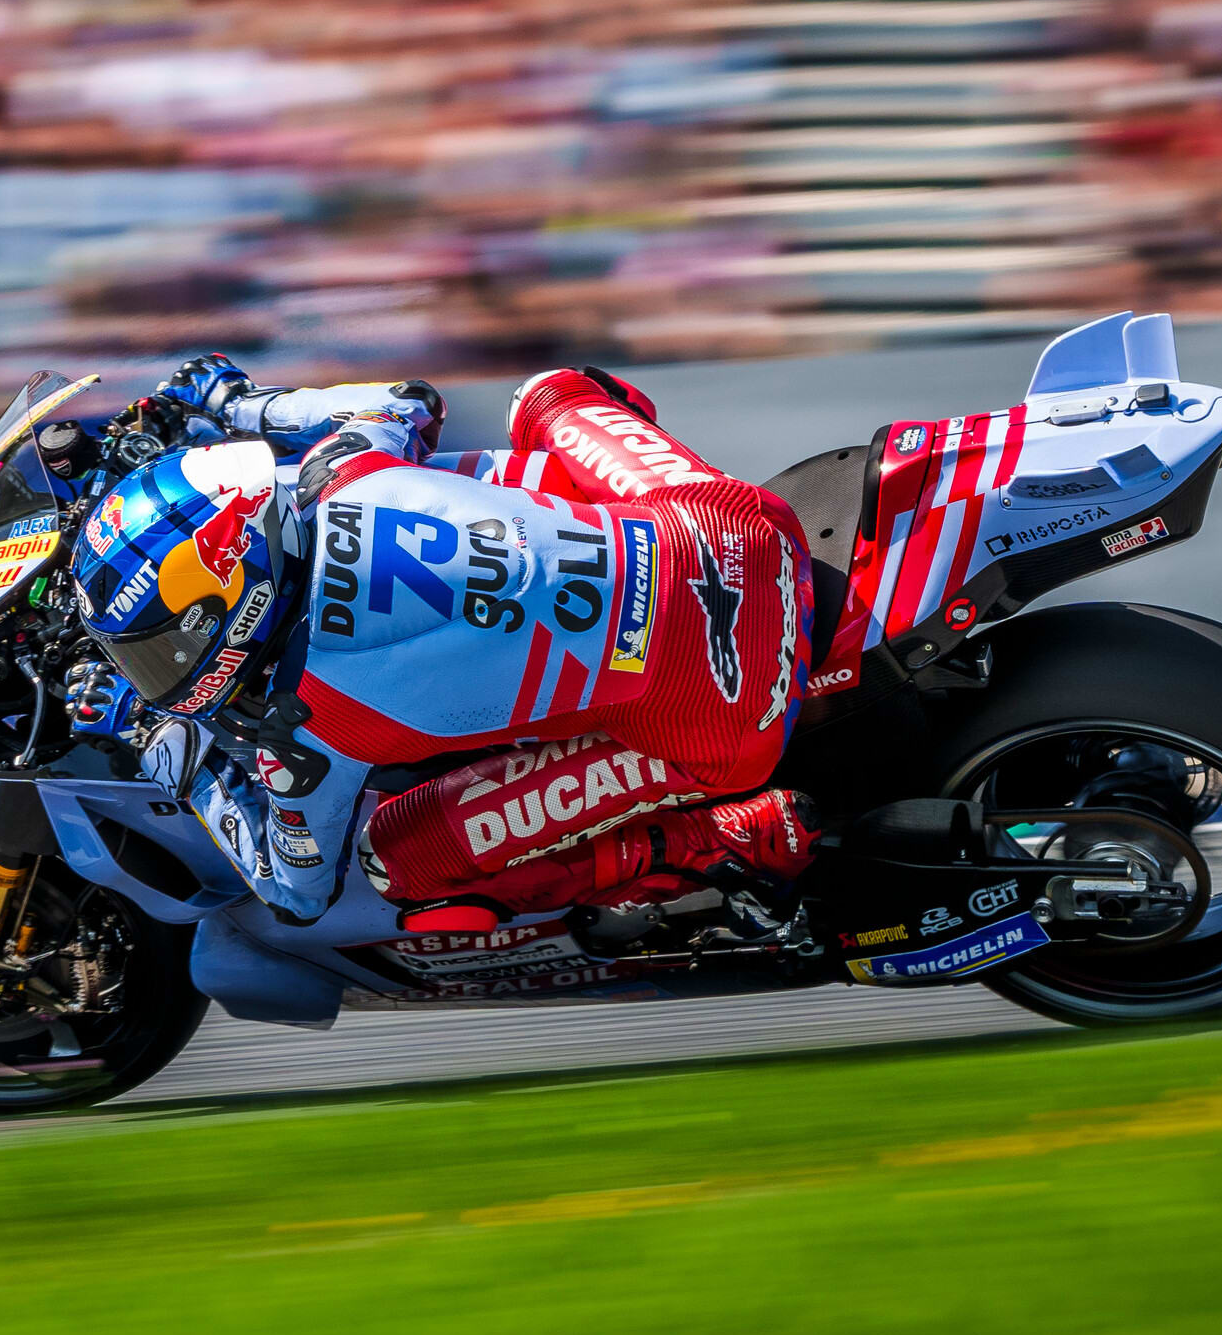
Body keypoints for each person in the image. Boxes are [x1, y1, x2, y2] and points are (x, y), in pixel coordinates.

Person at [57, 354, 820, 927]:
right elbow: (409, 402)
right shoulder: (339, 470)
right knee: (547, 393)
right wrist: (239, 401)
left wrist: (165, 745)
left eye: (159, 646)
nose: (154, 670)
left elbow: (295, 891)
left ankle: (718, 839)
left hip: (723, 717)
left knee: (393, 859)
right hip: (742, 529)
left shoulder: (304, 729)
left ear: (234, 599)